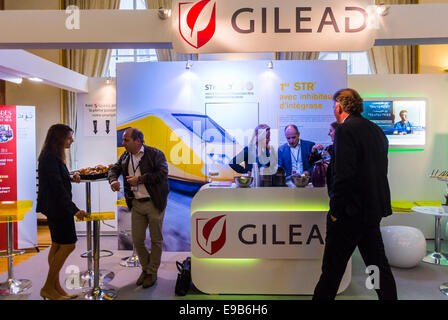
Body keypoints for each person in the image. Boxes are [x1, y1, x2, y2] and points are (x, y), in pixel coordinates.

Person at [313, 88, 397, 300]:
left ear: (339, 106)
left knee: (332, 270)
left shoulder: (345, 130)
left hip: (349, 215)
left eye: (334, 106)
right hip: (371, 212)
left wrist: (335, 212)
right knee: (378, 267)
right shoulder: (376, 130)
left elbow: (344, 175)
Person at [108, 127, 169, 289]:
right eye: (123, 140)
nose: (123, 143)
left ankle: (152, 272)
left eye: (126, 140)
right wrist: (113, 180)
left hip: (154, 203)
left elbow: (162, 173)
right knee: (137, 240)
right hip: (136, 204)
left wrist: (140, 179)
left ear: (138, 141)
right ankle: (147, 269)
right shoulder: (126, 156)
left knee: (156, 240)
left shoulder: (155, 154)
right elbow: (113, 169)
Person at [37, 124, 88, 300]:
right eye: (69, 137)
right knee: (69, 244)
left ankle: (55, 286)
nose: (72, 140)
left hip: (55, 207)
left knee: (58, 244)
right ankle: (47, 287)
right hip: (58, 209)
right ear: (59, 138)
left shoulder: (51, 156)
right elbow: (57, 188)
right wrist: (75, 210)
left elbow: (57, 179)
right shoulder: (50, 158)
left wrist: (70, 176)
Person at [309, 121, 339, 194]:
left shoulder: (346, 149)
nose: (328, 134)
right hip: (330, 187)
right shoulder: (329, 149)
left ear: (338, 132)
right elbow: (312, 162)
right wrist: (313, 150)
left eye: (330, 131)